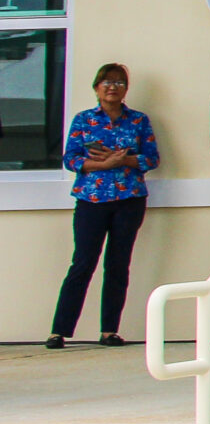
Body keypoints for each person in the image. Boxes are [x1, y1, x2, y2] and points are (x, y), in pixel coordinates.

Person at [49, 64, 158, 349]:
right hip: (91, 201)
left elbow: (152, 158)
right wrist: (104, 164)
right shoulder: (84, 120)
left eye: (119, 83)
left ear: (126, 89)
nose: (112, 87)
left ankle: (109, 330)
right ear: (97, 87)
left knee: (118, 265)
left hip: (129, 201)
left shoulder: (138, 120)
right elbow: (71, 159)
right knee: (83, 263)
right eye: (107, 82)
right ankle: (59, 331)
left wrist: (124, 160)